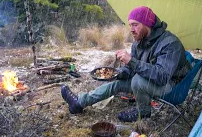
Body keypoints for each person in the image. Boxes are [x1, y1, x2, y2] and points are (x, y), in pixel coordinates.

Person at [61, 6, 191, 122]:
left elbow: (161, 76)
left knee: (137, 81)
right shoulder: (139, 42)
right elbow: (133, 69)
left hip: (173, 87)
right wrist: (120, 73)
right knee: (116, 84)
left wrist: (131, 61)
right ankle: (79, 103)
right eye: (130, 25)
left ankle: (143, 112)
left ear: (148, 24)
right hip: (150, 81)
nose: (131, 30)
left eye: (135, 25)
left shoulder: (170, 43)